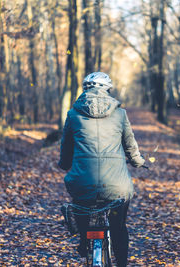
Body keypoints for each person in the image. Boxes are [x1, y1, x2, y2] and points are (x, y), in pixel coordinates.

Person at [58, 72, 145, 267]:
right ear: (107, 90)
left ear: (85, 90)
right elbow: (130, 146)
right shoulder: (120, 114)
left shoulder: (72, 115)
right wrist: (138, 161)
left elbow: (66, 150)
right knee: (118, 226)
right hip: (116, 185)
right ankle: (121, 263)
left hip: (83, 182)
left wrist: (64, 164)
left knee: (81, 205)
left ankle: (83, 240)